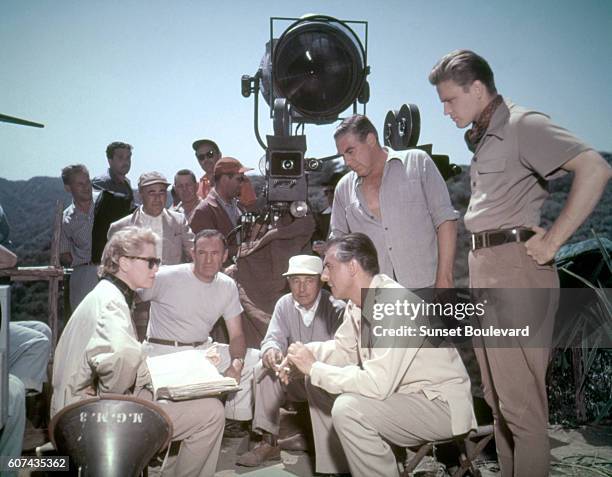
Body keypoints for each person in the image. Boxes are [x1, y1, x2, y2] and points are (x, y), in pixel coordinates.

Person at [429, 49, 612, 477]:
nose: (444, 109)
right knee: (498, 403)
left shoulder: (522, 124)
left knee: (522, 411)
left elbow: (595, 169)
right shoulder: (488, 135)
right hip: (488, 271)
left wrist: (553, 240)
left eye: (450, 99)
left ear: (477, 88)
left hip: (516, 270)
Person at [280, 233, 476, 476]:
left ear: (352, 266)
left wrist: (315, 367)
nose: (323, 276)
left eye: (329, 267)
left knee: (348, 408)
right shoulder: (360, 302)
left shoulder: (392, 304)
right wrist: (305, 355)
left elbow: (376, 384)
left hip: (440, 405)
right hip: (403, 396)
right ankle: (337, 470)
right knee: (314, 381)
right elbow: (343, 350)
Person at [51, 226, 224, 476]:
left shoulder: (106, 294)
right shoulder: (112, 302)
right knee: (211, 413)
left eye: (158, 262)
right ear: (123, 262)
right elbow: (123, 356)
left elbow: (118, 359)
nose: (157, 269)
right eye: (151, 262)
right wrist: (122, 400)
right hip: (90, 419)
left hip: (76, 410)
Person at [139, 229, 258, 429]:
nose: (208, 260)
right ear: (193, 254)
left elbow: (237, 335)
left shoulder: (227, 285)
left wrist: (236, 364)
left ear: (225, 256)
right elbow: (133, 299)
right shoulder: (166, 276)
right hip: (164, 352)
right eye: (202, 253)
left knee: (255, 360)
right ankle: (201, 423)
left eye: (215, 253)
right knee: (174, 405)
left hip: (202, 350)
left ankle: (232, 422)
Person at [236, 255, 344, 467]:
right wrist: (271, 351)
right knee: (264, 370)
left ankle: (329, 451)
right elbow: (273, 337)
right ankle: (269, 442)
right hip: (293, 376)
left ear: (320, 280)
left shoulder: (335, 307)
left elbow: (342, 355)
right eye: (296, 281)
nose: (301, 288)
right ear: (289, 282)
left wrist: (311, 366)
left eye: (309, 281)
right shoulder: (285, 303)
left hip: (324, 378)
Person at [330, 114, 459, 289]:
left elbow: (445, 220)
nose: (347, 161)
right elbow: (338, 244)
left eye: (350, 151)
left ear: (371, 139)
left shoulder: (417, 162)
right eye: (342, 155)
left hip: (427, 287)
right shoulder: (343, 188)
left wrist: (445, 280)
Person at [108, 171, 193, 265]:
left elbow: (193, 253)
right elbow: (112, 266)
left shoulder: (179, 221)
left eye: (162, 192)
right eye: (151, 192)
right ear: (140, 195)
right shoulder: (121, 227)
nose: (157, 198)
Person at [190, 157, 252, 264]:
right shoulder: (204, 212)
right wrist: (246, 249)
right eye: (239, 179)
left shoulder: (239, 207)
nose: (242, 184)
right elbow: (207, 253)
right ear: (224, 180)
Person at [60, 164, 99, 310]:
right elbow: (64, 254)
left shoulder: (106, 202)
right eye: (80, 184)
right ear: (68, 188)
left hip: (112, 271)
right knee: (84, 321)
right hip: (83, 275)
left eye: (88, 181)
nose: (86, 187)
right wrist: (83, 262)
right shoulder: (65, 218)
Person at [192, 138, 257, 210]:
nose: (206, 159)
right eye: (201, 157)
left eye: (210, 154)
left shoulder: (241, 180)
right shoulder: (199, 186)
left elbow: (252, 209)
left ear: (219, 155)